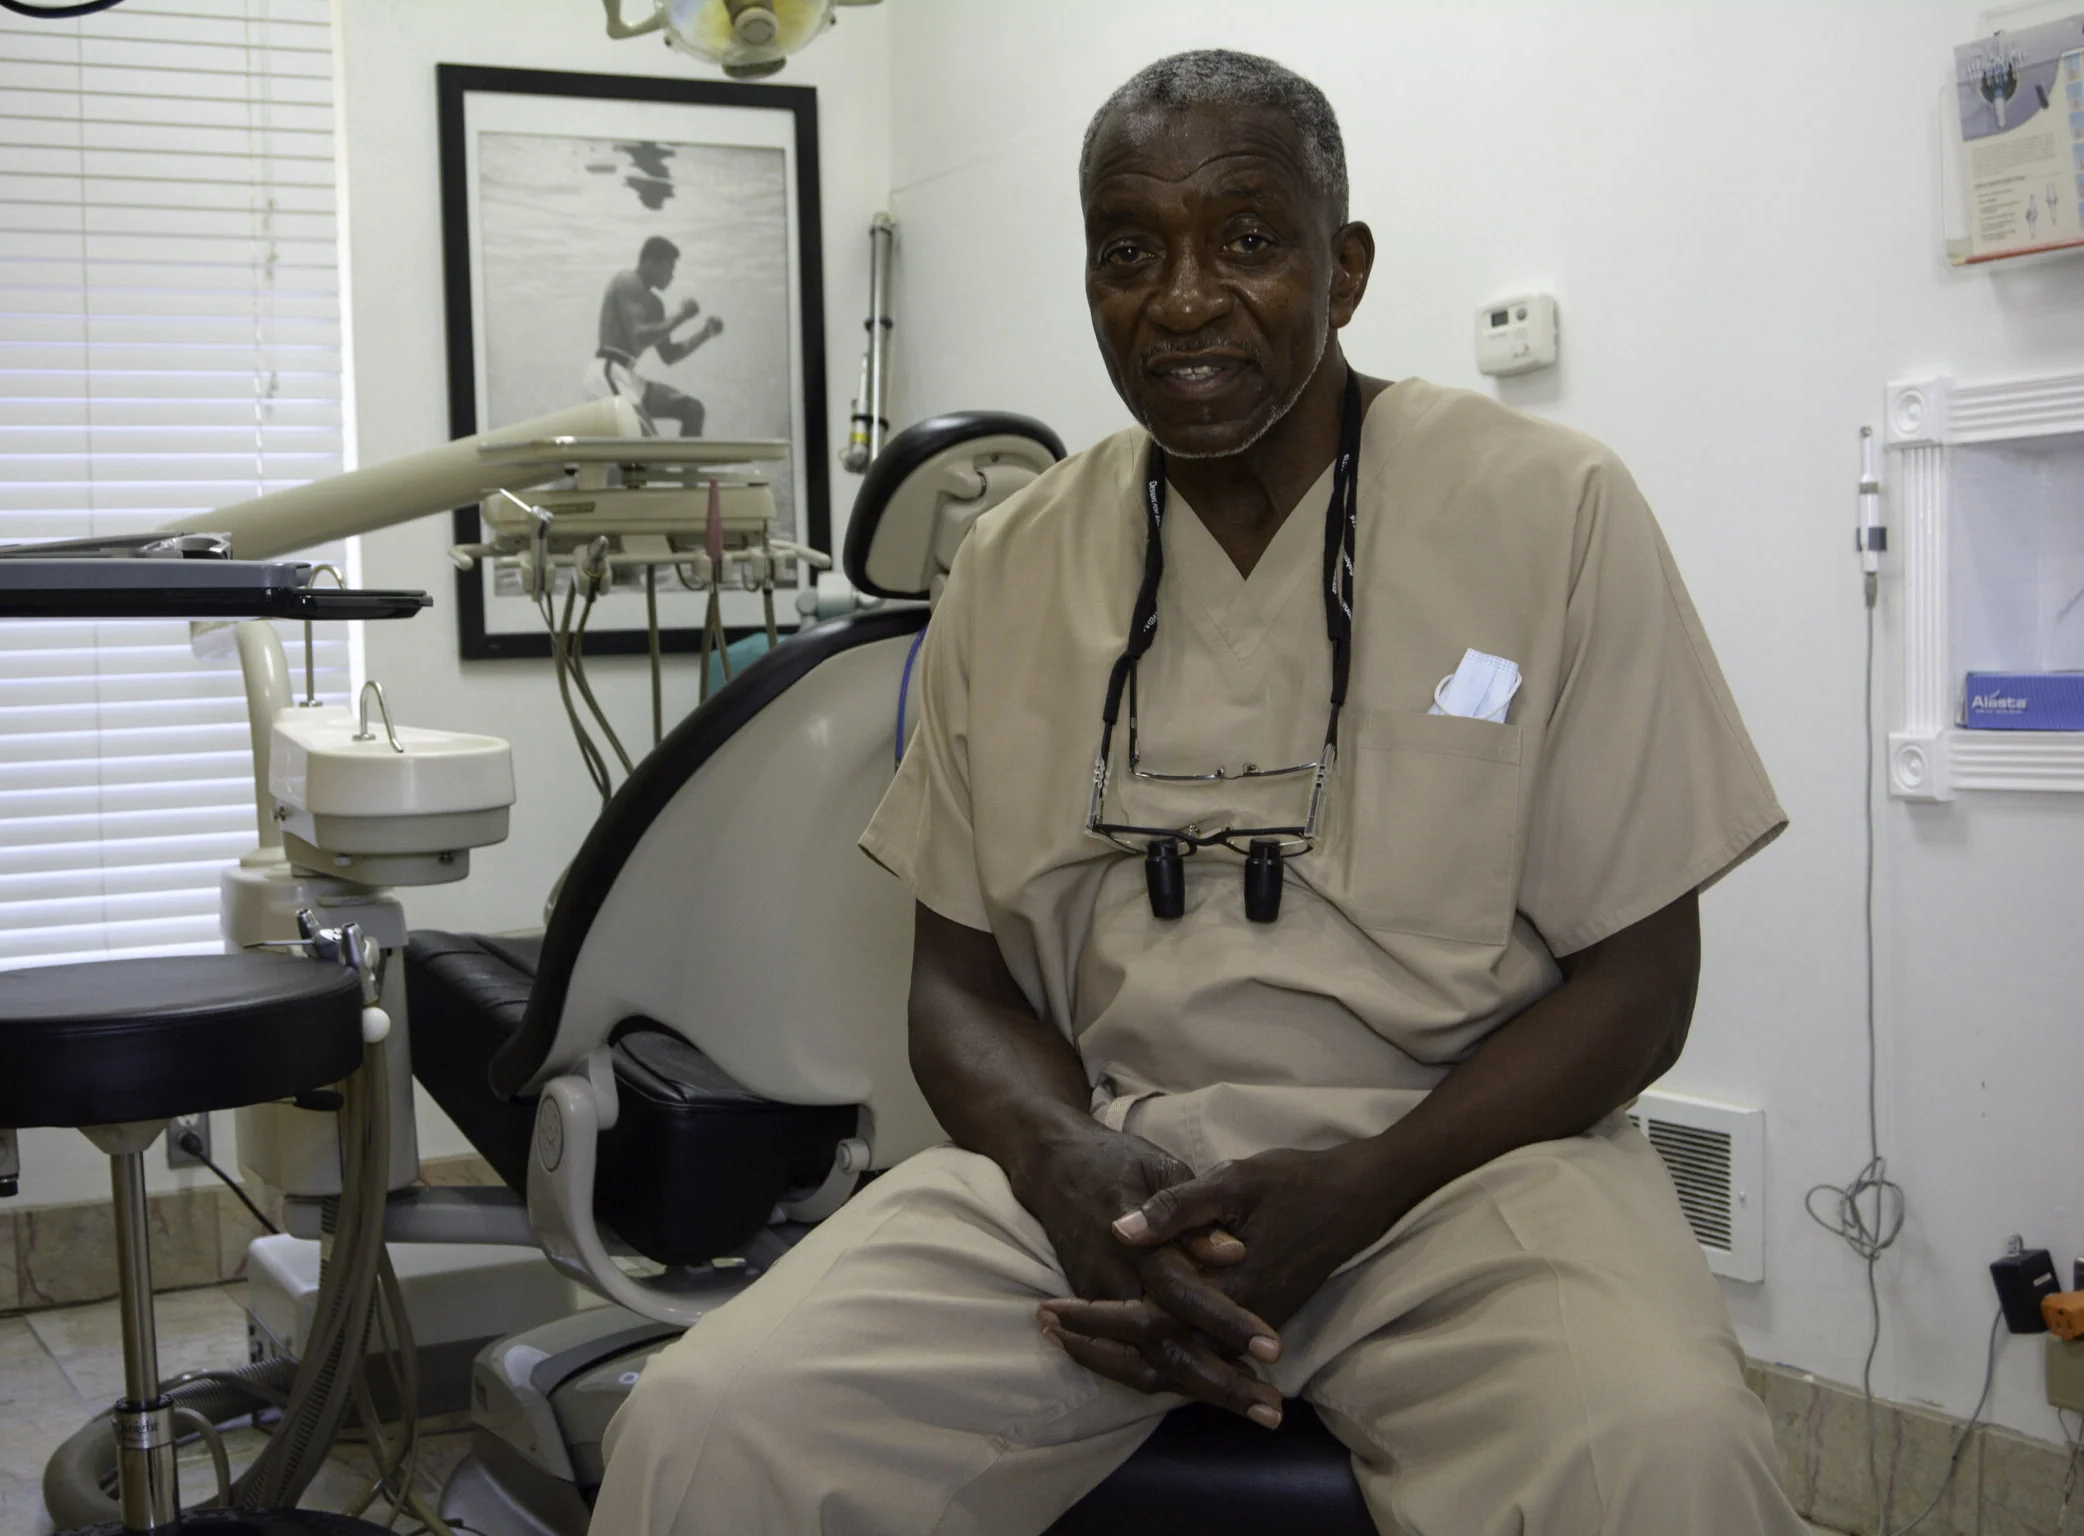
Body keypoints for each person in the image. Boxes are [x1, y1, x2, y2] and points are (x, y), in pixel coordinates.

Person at [591, 49, 1805, 1536]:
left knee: (1666, 1455)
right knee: (713, 1427)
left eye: (1244, 239)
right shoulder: (1013, 565)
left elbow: (1643, 987)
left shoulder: (1550, 512)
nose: (1181, 300)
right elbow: (956, 991)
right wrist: (1066, 1166)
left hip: (1472, 1178)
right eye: (1128, 252)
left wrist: (1366, 1187)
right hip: (1111, 1184)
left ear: (1343, 269)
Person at [584, 235, 723, 437]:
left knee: (692, 410)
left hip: (628, 377)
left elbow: (669, 355)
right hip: (607, 374)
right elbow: (639, 336)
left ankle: (687, 460)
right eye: (670, 267)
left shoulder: (656, 305)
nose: (672, 276)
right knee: (649, 447)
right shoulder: (627, 281)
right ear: (650, 262)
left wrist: (704, 334)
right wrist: (681, 316)